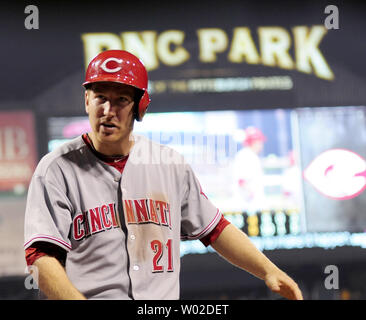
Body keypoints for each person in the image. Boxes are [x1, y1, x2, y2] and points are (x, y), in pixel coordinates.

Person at [24, 50, 303, 300]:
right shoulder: (56, 169)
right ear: (87, 100)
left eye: (121, 99)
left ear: (139, 106)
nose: (108, 111)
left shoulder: (169, 164)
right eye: (100, 97)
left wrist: (268, 270)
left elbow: (215, 230)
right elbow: (39, 256)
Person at [232, 126, 267, 212]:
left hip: (251, 205)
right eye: (259, 141)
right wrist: (252, 195)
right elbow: (241, 181)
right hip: (248, 206)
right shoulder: (246, 156)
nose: (261, 145)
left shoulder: (250, 155)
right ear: (254, 142)